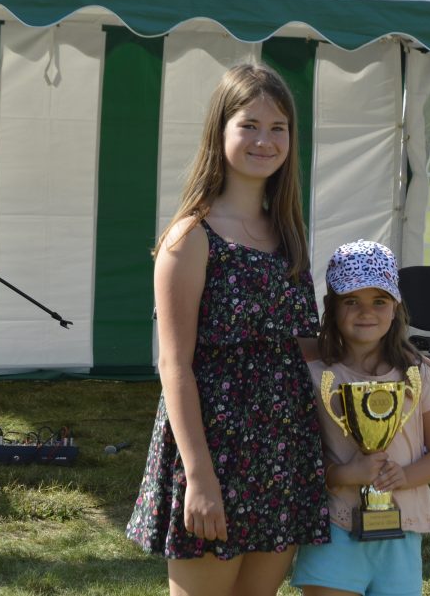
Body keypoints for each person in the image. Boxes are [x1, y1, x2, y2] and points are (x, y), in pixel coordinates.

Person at [126, 63, 330, 596]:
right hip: (214, 449)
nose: (265, 140)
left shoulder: (288, 233)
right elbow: (174, 366)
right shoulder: (190, 237)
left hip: (283, 449)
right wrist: (199, 476)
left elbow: (307, 349)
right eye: (249, 125)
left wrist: (387, 364)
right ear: (219, 131)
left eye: (278, 127)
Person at [292, 239, 430, 596]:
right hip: (334, 526)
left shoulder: (416, 374)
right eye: (352, 301)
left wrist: (405, 477)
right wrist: (344, 474)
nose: (366, 312)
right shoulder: (313, 377)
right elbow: (298, 462)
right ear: (331, 307)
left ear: (396, 307)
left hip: (402, 528)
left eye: (379, 301)